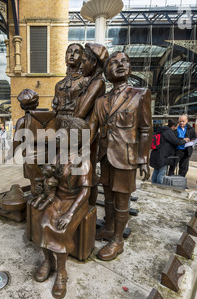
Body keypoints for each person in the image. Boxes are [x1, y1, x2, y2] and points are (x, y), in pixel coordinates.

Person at [89, 51, 153, 261]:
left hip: (126, 156)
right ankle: (108, 228)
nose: (120, 65)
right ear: (106, 71)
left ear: (130, 67)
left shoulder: (139, 94)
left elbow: (145, 129)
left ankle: (118, 240)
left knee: (121, 200)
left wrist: (143, 158)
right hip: (105, 155)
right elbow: (91, 130)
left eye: (124, 61)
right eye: (113, 63)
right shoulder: (101, 101)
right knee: (107, 195)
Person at [32, 117, 92, 299]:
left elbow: (85, 191)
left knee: (59, 229)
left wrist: (69, 214)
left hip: (75, 202)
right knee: (42, 223)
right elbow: (54, 177)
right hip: (58, 197)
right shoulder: (60, 155)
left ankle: (62, 272)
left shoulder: (83, 160)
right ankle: (48, 261)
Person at [75, 42, 108, 206]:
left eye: (83, 61)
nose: (80, 65)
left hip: (87, 134)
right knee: (82, 171)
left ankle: (89, 208)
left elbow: (81, 112)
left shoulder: (98, 83)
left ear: (94, 62)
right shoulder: (90, 82)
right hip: (81, 132)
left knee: (88, 172)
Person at [52, 43, 85, 128]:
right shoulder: (59, 84)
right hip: (58, 121)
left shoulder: (85, 81)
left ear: (82, 58)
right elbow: (54, 108)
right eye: (69, 52)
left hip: (76, 122)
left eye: (76, 52)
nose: (72, 54)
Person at [150, 120, 189, 184]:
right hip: (163, 155)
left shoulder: (161, 130)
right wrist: (184, 141)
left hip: (156, 153)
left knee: (156, 170)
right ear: (173, 126)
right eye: (176, 126)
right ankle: (159, 186)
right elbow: (176, 141)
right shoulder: (168, 131)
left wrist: (182, 139)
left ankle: (153, 184)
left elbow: (172, 139)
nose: (176, 128)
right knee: (162, 172)